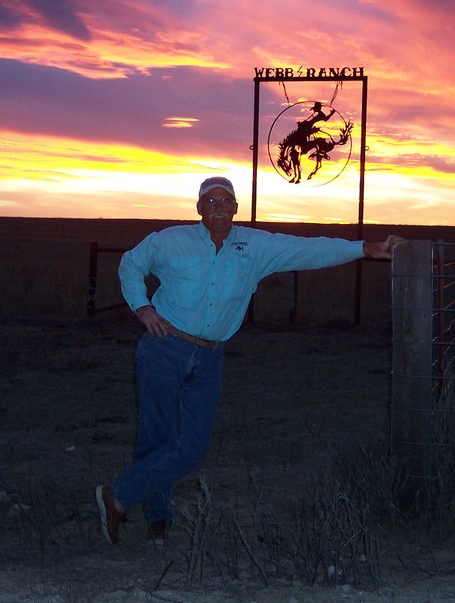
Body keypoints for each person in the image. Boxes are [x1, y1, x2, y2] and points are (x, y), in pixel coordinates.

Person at [96, 175, 401, 545]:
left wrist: (366, 248)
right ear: (199, 208)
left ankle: (118, 498)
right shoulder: (171, 240)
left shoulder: (254, 246)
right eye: (211, 201)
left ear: (236, 208)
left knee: (190, 447)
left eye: (226, 201)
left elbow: (310, 250)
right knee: (156, 437)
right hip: (165, 347)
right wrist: (143, 308)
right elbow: (131, 264)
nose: (219, 207)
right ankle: (158, 525)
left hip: (209, 357)